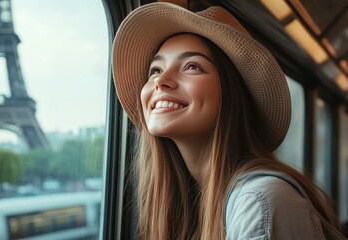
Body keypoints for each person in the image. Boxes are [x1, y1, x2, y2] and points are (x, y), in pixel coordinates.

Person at [111, 2, 346, 240]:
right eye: (155, 70)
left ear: (231, 93)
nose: (161, 81)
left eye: (192, 66)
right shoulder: (196, 207)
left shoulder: (260, 200)